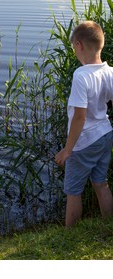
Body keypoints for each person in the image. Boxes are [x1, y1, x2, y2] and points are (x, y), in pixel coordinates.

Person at [55, 21, 113, 227]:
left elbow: (79, 117)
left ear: (79, 45)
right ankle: (108, 223)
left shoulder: (80, 76)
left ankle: (69, 234)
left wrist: (67, 150)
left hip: (84, 142)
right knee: (101, 183)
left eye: (73, 47)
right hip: (105, 134)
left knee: (73, 191)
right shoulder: (109, 71)